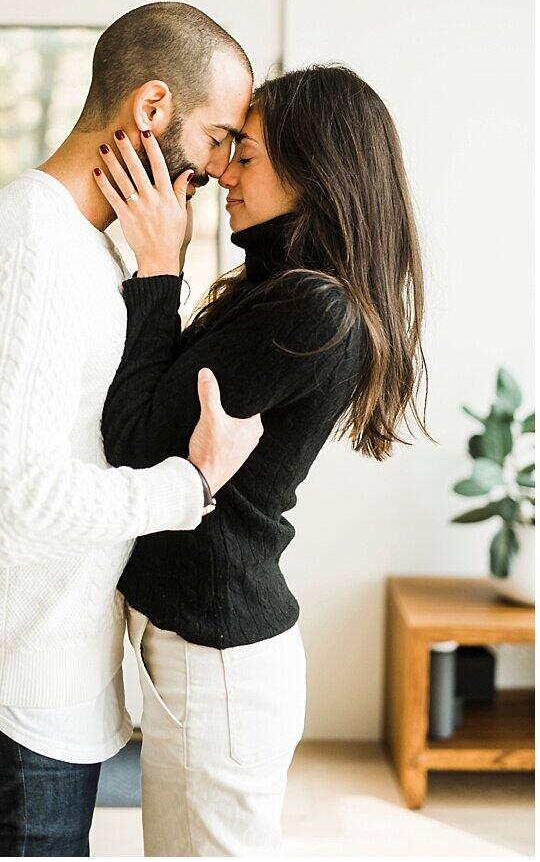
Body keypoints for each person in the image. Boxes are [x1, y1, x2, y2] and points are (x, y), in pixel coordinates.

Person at [0, 2, 265, 857]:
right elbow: (10, 506)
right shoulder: (29, 251)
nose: (223, 170)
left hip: (39, 685)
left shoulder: (77, 248)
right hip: (16, 696)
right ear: (151, 111)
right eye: (218, 138)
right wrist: (191, 485)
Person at [95, 64, 427, 855]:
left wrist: (157, 267)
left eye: (246, 156)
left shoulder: (313, 307)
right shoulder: (277, 287)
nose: (224, 174)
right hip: (206, 650)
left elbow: (135, 441)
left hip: (222, 667)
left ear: (318, 171)